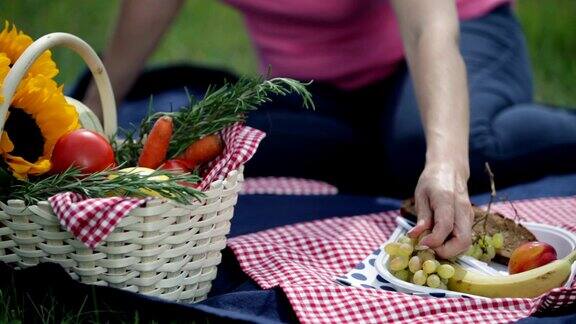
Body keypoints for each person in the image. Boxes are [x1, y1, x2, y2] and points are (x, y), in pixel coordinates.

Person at [82, 0, 576, 259]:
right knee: (187, 133)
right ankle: (383, 144)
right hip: (320, 92)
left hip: (455, 42)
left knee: (424, 149)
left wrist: (445, 162)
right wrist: (87, 119)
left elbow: (431, 30)